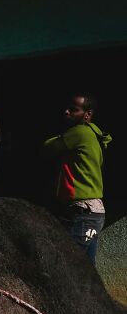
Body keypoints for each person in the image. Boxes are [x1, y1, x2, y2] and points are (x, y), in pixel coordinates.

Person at [43, 93, 112, 262]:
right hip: (94, 212)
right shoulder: (95, 136)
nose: (66, 112)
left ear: (87, 115)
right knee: (86, 269)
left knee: (66, 265)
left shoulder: (79, 132)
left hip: (83, 211)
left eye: (74, 110)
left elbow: (47, 149)